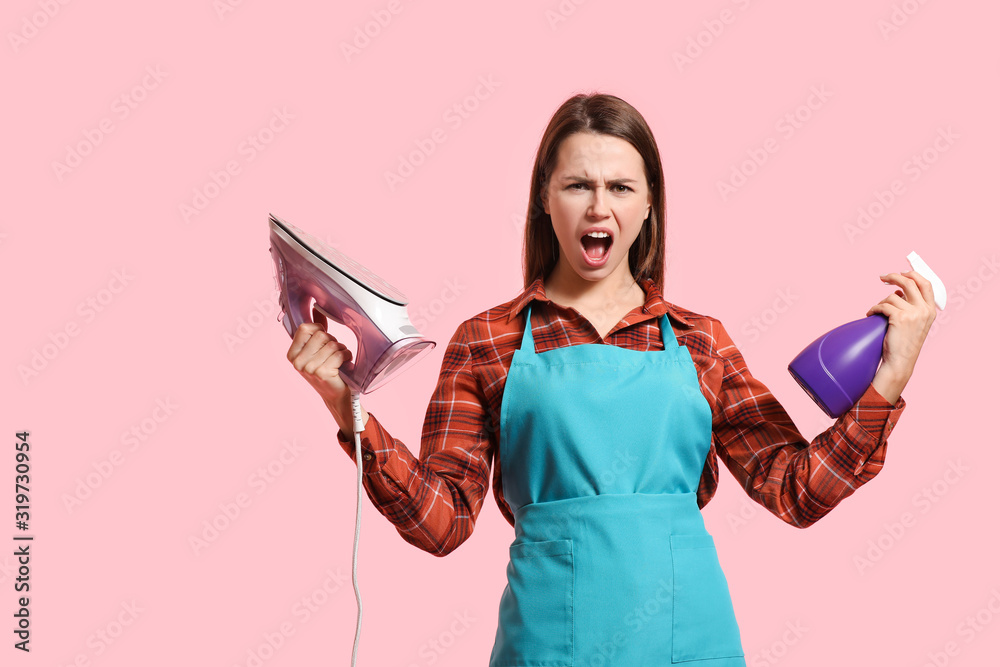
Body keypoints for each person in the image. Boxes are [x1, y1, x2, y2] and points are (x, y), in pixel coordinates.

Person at [285, 93, 936, 665]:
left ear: (649, 203)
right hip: (547, 648)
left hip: (690, 644)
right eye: (578, 185)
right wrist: (347, 407)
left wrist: (888, 379)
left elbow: (797, 491)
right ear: (545, 196)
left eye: (621, 187)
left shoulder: (702, 340)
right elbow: (443, 524)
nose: (599, 206)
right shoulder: (488, 339)